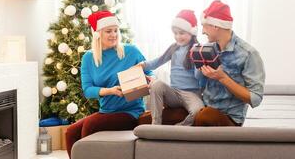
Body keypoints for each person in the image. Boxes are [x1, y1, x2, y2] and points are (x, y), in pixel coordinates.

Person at [65, 10, 152, 157]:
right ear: (98, 34)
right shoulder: (89, 58)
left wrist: (150, 81)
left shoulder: (131, 51)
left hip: (130, 112)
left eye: (116, 30)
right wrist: (110, 91)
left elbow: (150, 73)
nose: (114, 35)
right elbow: (88, 90)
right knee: (70, 132)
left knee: (91, 125)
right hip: (106, 111)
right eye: (108, 31)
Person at [194, 0, 265, 126]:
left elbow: (255, 98)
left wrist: (222, 77)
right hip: (204, 108)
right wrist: (199, 65)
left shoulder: (248, 54)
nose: (202, 32)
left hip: (229, 117)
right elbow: (199, 83)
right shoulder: (208, 48)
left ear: (215, 26)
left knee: (204, 116)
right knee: (161, 115)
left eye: (204, 26)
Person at [140, 10, 204, 126]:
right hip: (174, 93)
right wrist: (143, 65)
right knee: (156, 84)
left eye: (182, 33)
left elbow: (198, 77)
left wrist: (198, 63)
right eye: (175, 33)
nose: (178, 37)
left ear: (192, 32)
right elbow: (158, 61)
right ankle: (156, 125)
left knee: (198, 111)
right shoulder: (174, 48)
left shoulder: (196, 49)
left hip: (191, 94)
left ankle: (178, 128)